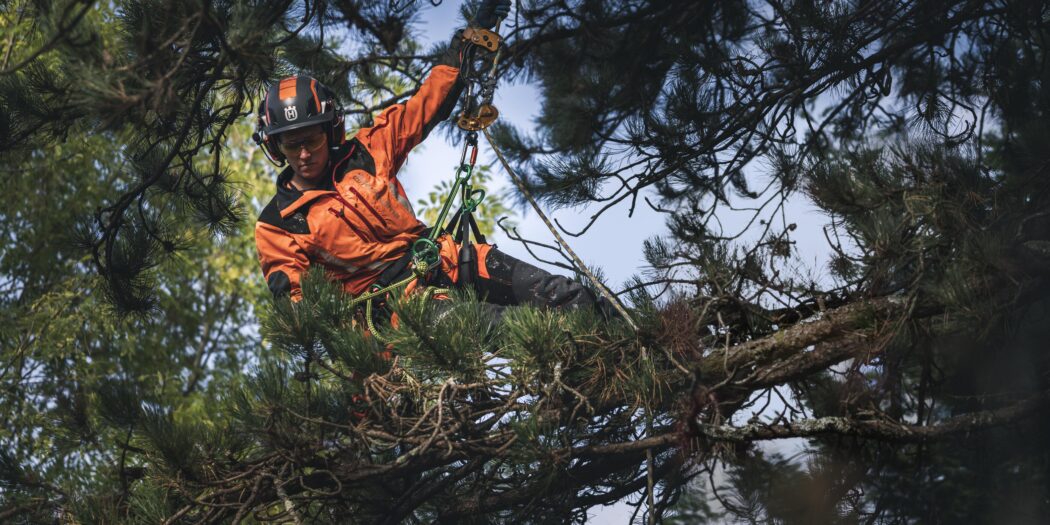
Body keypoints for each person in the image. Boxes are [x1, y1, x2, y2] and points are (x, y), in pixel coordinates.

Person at [253, 0, 603, 321]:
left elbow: (423, 108)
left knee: (564, 296)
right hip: (398, 311)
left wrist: (468, 43)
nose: (303, 154)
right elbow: (296, 309)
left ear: (329, 132)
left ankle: (643, 344)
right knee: (509, 326)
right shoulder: (280, 224)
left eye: (311, 141)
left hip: (442, 260)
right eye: (291, 144)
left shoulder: (366, 152)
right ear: (276, 146)